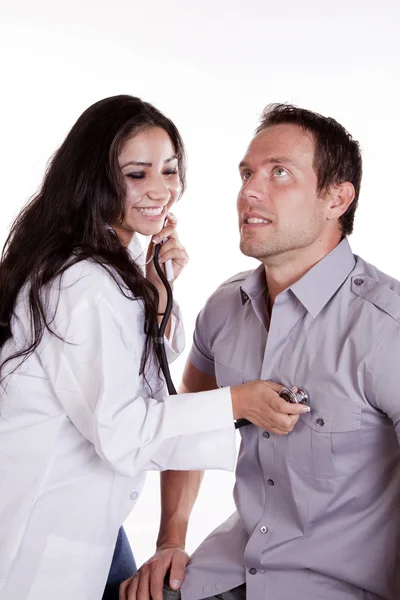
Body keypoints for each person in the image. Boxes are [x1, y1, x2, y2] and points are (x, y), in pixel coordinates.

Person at [0, 96, 307, 600]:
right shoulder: (85, 282)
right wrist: (239, 402)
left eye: (169, 170)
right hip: (41, 528)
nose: (161, 190)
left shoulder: (107, 269)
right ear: (93, 180)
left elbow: (128, 375)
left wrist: (158, 295)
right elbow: (123, 429)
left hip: (87, 517)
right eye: (137, 174)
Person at [123, 103, 400, 600]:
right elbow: (190, 421)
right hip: (226, 575)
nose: (250, 190)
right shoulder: (225, 308)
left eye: (279, 173)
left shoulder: (386, 328)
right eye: (247, 173)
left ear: (336, 198)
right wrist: (170, 540)